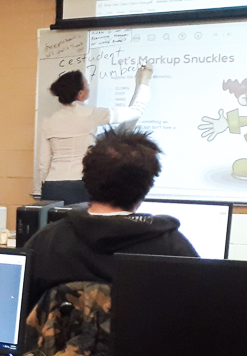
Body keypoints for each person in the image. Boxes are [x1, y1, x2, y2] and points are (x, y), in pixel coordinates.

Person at [24, 126, 198, 313]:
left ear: (86, 178)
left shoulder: (46, 243)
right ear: (146, 187)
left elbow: (18, 312)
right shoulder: (174, 249)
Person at [39, 65, 153, 204]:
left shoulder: (48, 121)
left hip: (52, 185)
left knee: (53, 219)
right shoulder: (92, 113)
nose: (89, 87)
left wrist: (46, 186)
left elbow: (44, 163)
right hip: (81, 183)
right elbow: (135, 111)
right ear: (81, 93)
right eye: (86, 84)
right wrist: (144, 82)